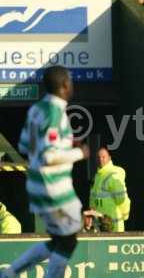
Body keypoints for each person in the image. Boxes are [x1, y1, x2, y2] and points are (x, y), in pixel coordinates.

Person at [0, 66, 89, 278]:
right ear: (64, 85)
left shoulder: (36, 109)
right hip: (53, 185)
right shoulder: (55, 112)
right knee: (68, 240)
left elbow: (24, 146)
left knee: (59, 240)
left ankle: (11, 272)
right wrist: (78, 153)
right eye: (70, 81)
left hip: (37, 183)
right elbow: (49, 156)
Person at [89, 148, 131, 232]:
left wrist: (125, 215)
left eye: (103, 157)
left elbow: (121, 198)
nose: (100, 159)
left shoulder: (114, 173)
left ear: (109, 158)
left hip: (114, 224)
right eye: (98, 157)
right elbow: (93, 200)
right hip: (99, 224)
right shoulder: (97, 176)